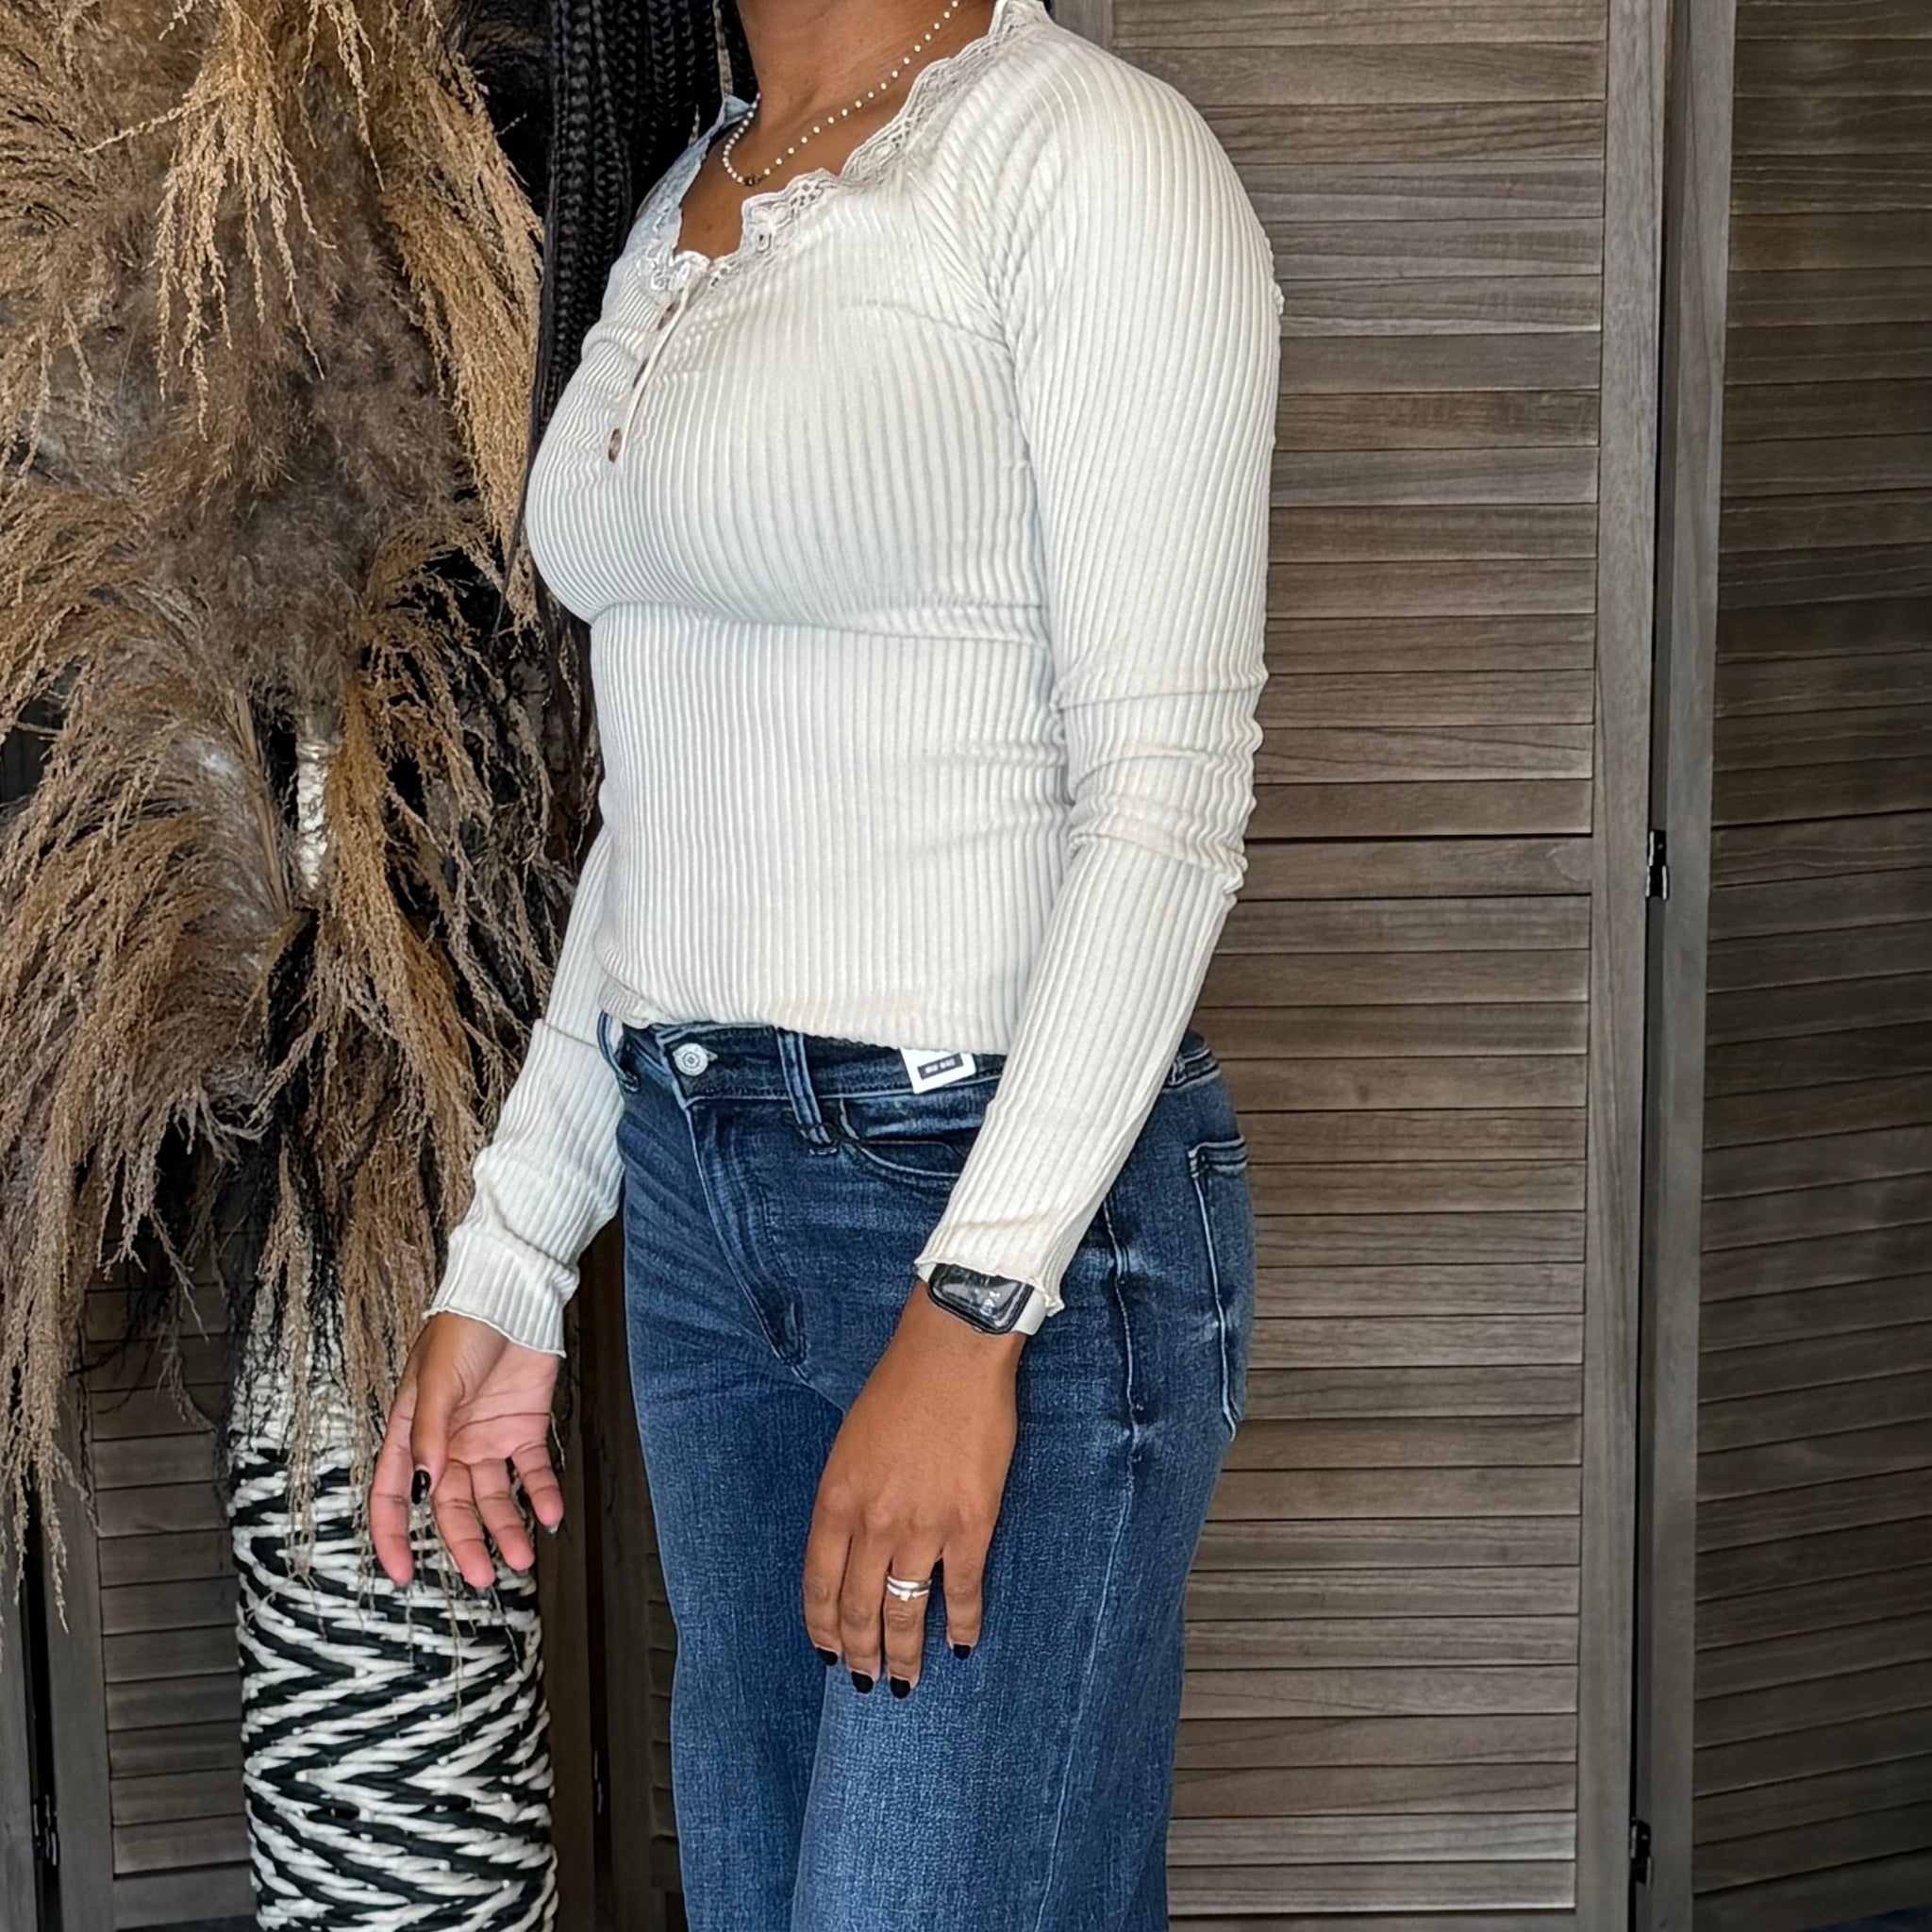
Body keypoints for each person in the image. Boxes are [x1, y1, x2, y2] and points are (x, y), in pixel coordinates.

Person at [366, 0, 1280, 1922]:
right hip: (702, 1198)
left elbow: (1166, 801)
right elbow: (661, 818)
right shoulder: (680, 204)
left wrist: (971, 1311)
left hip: (993, 1204)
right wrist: (516, 1242)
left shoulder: (1085, 158)